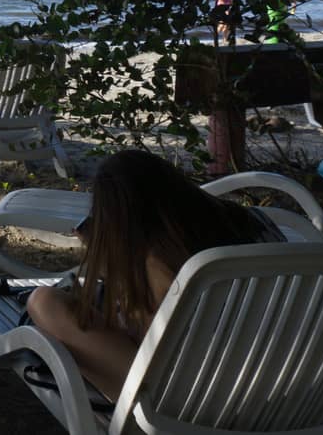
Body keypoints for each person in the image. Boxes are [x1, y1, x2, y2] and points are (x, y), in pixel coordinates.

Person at [24, 149, 285, 401]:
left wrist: (110, 269)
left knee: (44, 301)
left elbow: (151, 343)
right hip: (281, 384)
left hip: (193, 404)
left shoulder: (163, 261)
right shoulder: (257, 222)